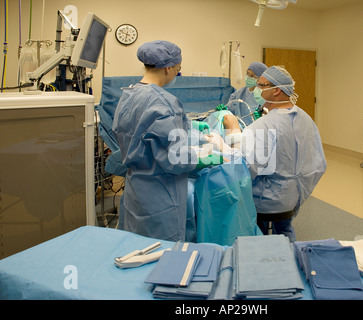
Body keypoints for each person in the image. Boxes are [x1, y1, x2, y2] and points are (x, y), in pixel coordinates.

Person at [112, 40, 221, 241]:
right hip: (161, 195)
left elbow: (141, 130)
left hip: (136, 188)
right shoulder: (164, 102)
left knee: (135, 246)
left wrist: (188, 125)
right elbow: (177, 159)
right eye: (179, 70)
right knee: (161, 253)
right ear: (169, 68)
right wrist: (207, 157)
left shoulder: (128, 94)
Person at [208, 66, 327, 241]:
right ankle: (290, 254)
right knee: (284, 230)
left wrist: (227, 138)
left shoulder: (264, 125)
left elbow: (243, 167)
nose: (256, 90)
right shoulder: (305, 118)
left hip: (267, 200)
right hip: (294, 196)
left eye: (261, 85)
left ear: (276, 90)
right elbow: (319, 163)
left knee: (256, 232)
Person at [227, 62, 267, 126]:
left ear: (260, 78)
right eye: (247, 74)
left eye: (252, 76)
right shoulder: (239, 93)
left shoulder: (263, 95)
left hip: (256, 130)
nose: (248, 77)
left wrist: (262, 117)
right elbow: (229, 110)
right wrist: (223, 111)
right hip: (239, 130)